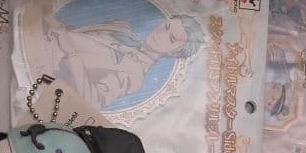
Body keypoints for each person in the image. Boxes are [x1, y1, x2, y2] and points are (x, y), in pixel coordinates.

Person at [47, 11, 204, 110]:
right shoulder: (122, 27)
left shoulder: (133, 75)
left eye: (171, 39)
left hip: (43, 69)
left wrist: (71, 54)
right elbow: (77, 34)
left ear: (174, 53)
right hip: (41, 34)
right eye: (166, 26)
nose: (160, 33)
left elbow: (92, 101)